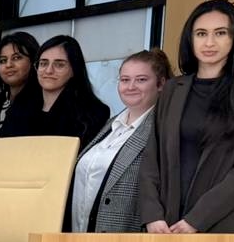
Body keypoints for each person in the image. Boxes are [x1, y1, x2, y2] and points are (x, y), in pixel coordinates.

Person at [141, 0, 234, 233]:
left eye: (220, 33)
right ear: (190, 38)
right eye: (201, 33)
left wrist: (196, 219)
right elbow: (151, 158)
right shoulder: (173, 89)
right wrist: (152, 215)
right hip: (165, 225)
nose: (209, 42)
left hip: (222, 225)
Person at [69, 50, 169, 232]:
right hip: (80, 234)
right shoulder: (110, 125)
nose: (131, 86)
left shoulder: (163, 129)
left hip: (125, 237)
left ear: (161, 83)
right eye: (125, 80)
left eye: (141, 80)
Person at [34, 35, 109, 144]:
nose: (49, 70)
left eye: (59, 65)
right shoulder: (18, 109)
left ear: (74, 69)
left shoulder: (93, 113)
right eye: (43, 63)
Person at [0, 32, 42, 137]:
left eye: (16, 58)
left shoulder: (43, 103)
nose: (8, 65)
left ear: (33, 61)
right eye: (3, 60)